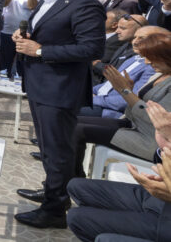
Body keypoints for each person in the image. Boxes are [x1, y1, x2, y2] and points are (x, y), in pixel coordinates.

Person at [12, 0, 106, 229]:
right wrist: (25, 36)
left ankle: (54, 209)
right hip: (41, 84)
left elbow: (91, 48)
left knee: (58, 150)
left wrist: (40, 50)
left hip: (59, 89)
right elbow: (47, 32)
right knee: (49, 148)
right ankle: (52, 189)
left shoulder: (84, 3)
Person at [66, 101, 171, 242]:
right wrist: (165, 143)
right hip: (157, 199)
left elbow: (123, 105)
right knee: (76, 186)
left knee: (86, 225)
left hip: (165, 223)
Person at [70, 32, 171, 177]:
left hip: (149, 140)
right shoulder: (161, 73)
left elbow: (155, 121)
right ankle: (70, 176)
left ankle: (69, 182)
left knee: (77, 131)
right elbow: (141, 105)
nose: (147, 62)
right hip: (132, 124)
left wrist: (124, 91)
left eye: (151, 57)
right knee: (71, 123)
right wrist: (128, 90)